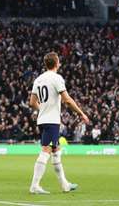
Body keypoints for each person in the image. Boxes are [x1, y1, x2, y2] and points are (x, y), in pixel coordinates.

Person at [29, 52, 90, 194]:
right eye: (59, 61)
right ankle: (34, 185)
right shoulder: (57, 78)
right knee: (46, 151)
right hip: (51, 121)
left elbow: (32, 102)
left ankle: (65, 184)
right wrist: (81, 113)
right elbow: (67, 100)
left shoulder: (38, 79)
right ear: (56, 63)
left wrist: (42, 109)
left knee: (56, 150)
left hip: (42, 120)